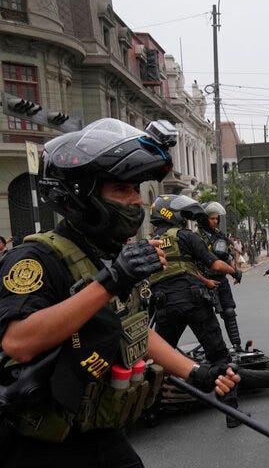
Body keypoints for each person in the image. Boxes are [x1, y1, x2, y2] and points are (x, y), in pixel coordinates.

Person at [0, 119, 238, 466]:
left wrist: (195, 371)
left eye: (135, 190)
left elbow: (132, 330)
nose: (134, 202)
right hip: (43, 442)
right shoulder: (35, 258)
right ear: (81, 195)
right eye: (121, 191)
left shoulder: (110, 253)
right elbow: (19, 343)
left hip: (100, 431)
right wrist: (110, 281)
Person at [146, 194, 242, 427]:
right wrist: (234, 271)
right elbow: (214, 264)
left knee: (162, 359)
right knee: (219, 356)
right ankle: (231, 413)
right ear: (170, 213)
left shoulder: (148, 244)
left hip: (164, 305)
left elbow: (177, 268)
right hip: (193, 302)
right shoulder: (185, 236)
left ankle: (151, 411)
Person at [195, 201, 245, 352]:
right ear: (204, 219)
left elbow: (231, 254)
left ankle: (237, 346)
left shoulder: (220, 235)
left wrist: (235, 269)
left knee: (229, 312)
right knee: (207, 319)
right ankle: (214, 350)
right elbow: (190, 265)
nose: (215, 221)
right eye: (212, 218)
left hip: (221, 281)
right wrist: (204, 281)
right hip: (204, 282)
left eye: (217, 218)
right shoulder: (196, 237)